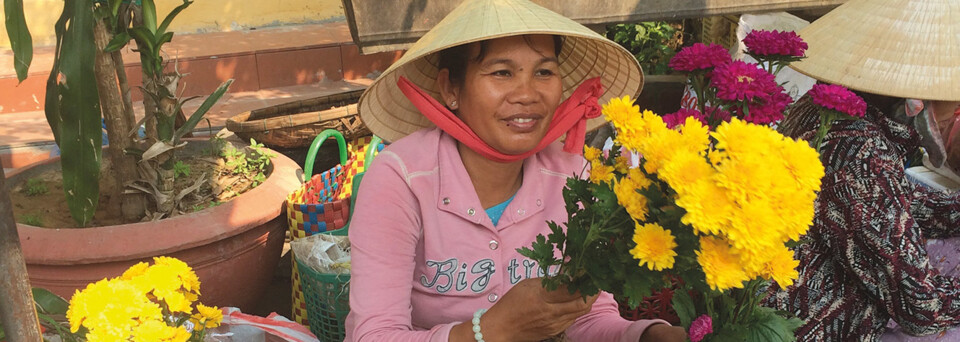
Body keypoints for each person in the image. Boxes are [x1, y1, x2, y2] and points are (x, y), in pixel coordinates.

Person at [344, 0, 687, 341]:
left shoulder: (575, 177)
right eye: (502, 72)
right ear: (451, 89)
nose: (527, 94)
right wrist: (492, 330)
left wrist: (646, 335)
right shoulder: (402, 179)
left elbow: (587, 317)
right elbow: (373, 335)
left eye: (544, 72)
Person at [761, 0, 960, 341]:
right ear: (916, 95)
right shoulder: (858, 148)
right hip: (804, 328)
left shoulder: (820, 107)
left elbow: (897, 204)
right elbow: (921, 308)